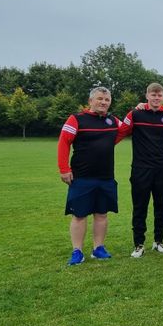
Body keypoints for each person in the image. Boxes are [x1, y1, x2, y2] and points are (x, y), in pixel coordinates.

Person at [57, 86, 126, 265]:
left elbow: (126, 129)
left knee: (102, 214)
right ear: (90, 101)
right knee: (79, 215)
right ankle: (77, 251)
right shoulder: (76, 119)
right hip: (81, 177)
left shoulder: (113, 121)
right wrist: (64, 169)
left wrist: (141, 107)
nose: (103, 102)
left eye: (107, 100)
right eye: (100, 99)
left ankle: (99, 248)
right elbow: (64, 143)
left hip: (106, 177)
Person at [121, 83, 163, 258]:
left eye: (159, 95)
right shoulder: (135, 114)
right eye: (153, 95)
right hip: (141, 168)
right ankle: (139, 244)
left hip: (162, 168)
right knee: (140, 207)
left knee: (161, 206)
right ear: (147, 96)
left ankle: (159, 241)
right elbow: (120, 131)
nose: (156, 98)